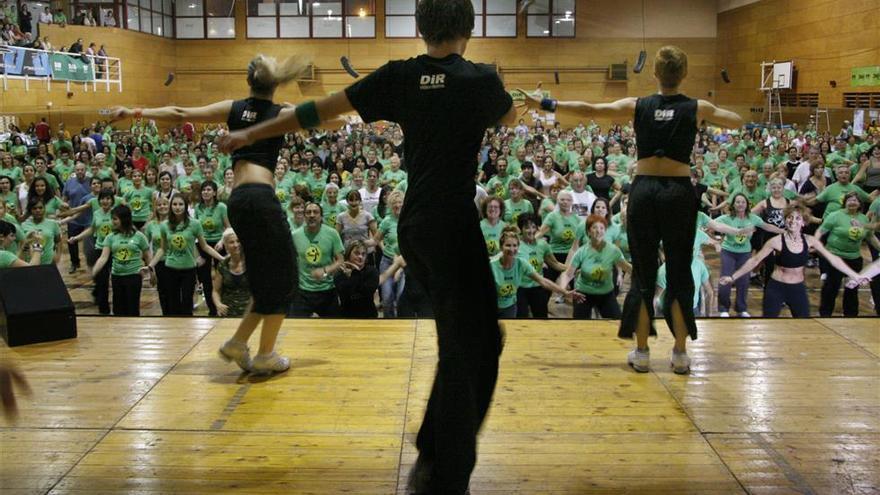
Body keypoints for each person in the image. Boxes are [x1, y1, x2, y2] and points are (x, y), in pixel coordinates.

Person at [218, 0, 517, 490]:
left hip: (415, 225)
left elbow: (319, 110)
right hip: (451, 225)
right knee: (476, 345)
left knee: (469, 340)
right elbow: (506, 118)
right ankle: (444, 473)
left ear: (420, 28)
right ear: (470, 26)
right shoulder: (480, 80)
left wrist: (252, 131)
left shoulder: (398, 76)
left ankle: (434, 450)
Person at [521, 45, 743, 374]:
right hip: (679, 193)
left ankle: (641, 352)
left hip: (645, 192)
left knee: (642, 275)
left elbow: (589, 108)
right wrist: (706, 115)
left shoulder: (637, 105)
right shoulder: (697, 107)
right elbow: (737, 122)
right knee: (680, 272)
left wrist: (545, 103)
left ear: (654, 74)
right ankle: (680, 354)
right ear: (684, 75)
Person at [110, 54, 323, 375]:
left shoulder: (234, 108)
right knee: (286, 279)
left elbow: (180, 113)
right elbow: (324, 117)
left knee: (269, 280)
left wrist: (135, 111)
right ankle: (263, 353)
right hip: (261, 198)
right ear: (275, 82)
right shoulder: (283, 113)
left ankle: (241, 343)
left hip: (237, 200)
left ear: (250, 81)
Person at [720, 203, 867, 317]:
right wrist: (732, 277)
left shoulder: (810, 241)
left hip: (797, 288)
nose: (793, 221)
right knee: (768, 324)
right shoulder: (776, 241)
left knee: (803, 323)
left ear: (803, 222)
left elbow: (833, 259)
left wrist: (855, 275)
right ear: (785, 220)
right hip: (776, 288)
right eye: (790, 217)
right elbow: (754, 260)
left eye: (797, 218)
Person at [147, 193, 224, 316]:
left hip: (189, 270)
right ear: (171, 206)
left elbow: (204, 246)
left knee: (187, 305)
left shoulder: (195, 224)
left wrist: (222, 258)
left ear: (186, 206)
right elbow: (162, 249)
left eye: (181, 204)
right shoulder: (164, 226)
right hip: (170, 269)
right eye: (175, 204)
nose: (177, 207)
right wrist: (150, 266)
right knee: (173, 304)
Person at [815, 192, 879, 316]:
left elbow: (870, 237)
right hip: (835, 256)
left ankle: (851, 315)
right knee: (831, 288)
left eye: (855, 200)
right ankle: (825, 314)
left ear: (860, 204)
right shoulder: (835, 216)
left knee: (852, 288)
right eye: (849, 200)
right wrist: (816, 244)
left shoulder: (863, 219)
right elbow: (821, 230)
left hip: (854, 258)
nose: (852, 202)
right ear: (845, 202)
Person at [558, 215, 632, 320]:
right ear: (588, 232)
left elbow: (627, 267)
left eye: (601, 228)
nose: (598, 231)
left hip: (606, 294)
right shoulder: (581, 252)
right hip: (583, 294)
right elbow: (568, 274)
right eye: (594, 228)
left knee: (617, 324)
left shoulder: (613, 250)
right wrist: (563, 290)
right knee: (579, 326)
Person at [491, 228, 577, 317]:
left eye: (515, 245)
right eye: (508, 245)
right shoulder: (492, 266)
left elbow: (543, 281)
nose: (512, 249)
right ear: (501, 247)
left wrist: (564, 292)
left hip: (510, 307)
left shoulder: (521, 263)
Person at [91, 205, 151, 316]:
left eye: (115, 219)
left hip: (134, 276)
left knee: (132, 308)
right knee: (118, 309)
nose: (112, 222)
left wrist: (152, 273)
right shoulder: (110, 237)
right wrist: (95, 270)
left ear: (124, 219)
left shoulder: (139, 236)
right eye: (112, 218)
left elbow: (148, 256)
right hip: (117, 276)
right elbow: (103, 257)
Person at [290, 202, 344, 317]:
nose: (312, 215)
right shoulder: (295, 235)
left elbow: (340, 261)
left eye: (315, 212)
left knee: (332, 330)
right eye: (308, 212)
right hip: (303, 291)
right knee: (297, 330)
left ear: (321, 216)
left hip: (327, 290)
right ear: (304, 216)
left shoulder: (332, 234)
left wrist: (325, 271)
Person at [334, 239, 407, 317]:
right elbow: (345, 292)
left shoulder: (371, 271)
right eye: (356, 253)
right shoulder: (340, 273)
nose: (360, 257)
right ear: (348, 254)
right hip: (347, 316)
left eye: (363, 254)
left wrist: (354, 273)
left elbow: (366, 291)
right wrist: (352, 274)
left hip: (368, 315)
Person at [212, 228, 250, 318]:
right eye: (231, 242)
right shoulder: (223, 265)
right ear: (226, 246)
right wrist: (218, 305)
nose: (236, 245)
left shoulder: (251, 263)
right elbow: (215, 291)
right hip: (228, 314)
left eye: (238, 241)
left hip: (250, 314)